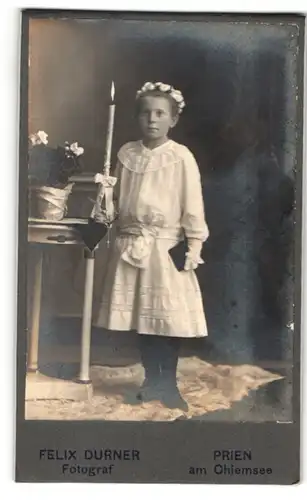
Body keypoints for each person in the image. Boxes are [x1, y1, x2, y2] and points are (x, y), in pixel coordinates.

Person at [97, 81, 209, 411]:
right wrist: (106, 195)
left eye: (160, 113)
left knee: (166, 319)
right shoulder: (126, 154)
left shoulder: (180, 157)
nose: (152, 119)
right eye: (146, 113)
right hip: (131, 245)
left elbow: (193, 204)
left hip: (165, 247)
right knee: (143, 320)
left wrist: (194, 243)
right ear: (136, 118)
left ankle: (168, 383)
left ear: (173, 119)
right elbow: (115, 204)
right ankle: (151, 379)